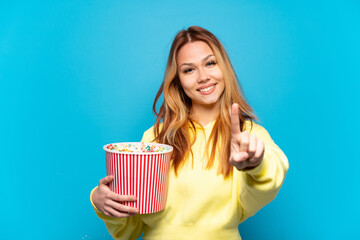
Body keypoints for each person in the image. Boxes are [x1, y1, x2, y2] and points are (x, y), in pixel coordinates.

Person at [90, 26, 289, 240]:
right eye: (189, 70)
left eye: (210, 63)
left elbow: (273, 170)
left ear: (224, 67)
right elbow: (130, 228)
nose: (203, 77)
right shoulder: (156, 138)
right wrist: (102, 202)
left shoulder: (247, 135)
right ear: (178, 80)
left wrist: (255, 164)